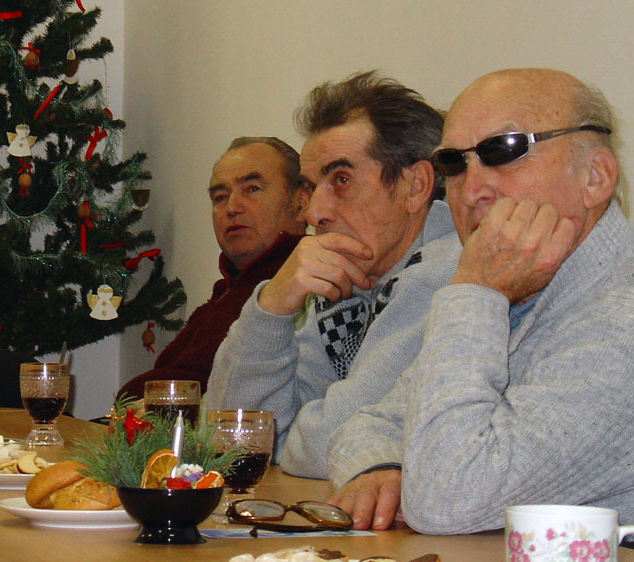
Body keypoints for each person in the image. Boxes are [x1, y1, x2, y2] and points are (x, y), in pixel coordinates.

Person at [327, 68, 634, 534]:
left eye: (504, 150)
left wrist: (476, 291)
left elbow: (447, 498)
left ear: (596, 176)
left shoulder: (621, 319)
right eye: (454, 163)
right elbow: (366, 424)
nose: (470, 192)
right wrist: (379, 468)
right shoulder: (520, 289)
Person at [205, 71, 460, 478]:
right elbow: (230, 436)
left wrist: (284, 440)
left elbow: (329, 442)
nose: (314, 212)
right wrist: (270, 306)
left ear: (416, 186)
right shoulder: (348, 279)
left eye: (341, 180)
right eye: (311, 187)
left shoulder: (450, 274)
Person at [117, 137, 308, 400]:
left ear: (301, 203)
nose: (232, 207)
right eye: (220, 197)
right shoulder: (224, 295)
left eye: (252, 189)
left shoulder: (305, 289)